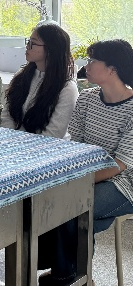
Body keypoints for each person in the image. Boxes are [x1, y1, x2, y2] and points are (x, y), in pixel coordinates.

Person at [40, 39, 133, 285]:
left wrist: (78, 181)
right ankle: (78, 277)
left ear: (112, 69)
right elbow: (76, 145)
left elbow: (120, 164)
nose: (86, 65)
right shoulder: (87, 98)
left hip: (125, 183)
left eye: (93, 60)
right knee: (66, 207)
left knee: (73, 206)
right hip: (88, 172)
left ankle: (66, 276)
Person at [1, 22, 78, 138]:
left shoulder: (67, 88)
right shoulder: (22, 74)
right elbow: (7, 114)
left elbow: (54, 134)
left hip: (48, 146)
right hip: (14, 142)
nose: (27, 46)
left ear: (50, 49)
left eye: (33, 43)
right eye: (28, 41)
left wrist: (22, 143)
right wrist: (12, 139)